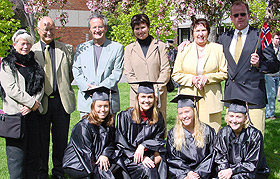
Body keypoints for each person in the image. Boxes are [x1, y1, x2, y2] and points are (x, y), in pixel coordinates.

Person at [218, 1, 279, 135]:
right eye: (236, 15)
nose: (239, 17)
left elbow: (274, 65)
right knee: (233, 141)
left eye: (243, 14)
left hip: (253, 97)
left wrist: (259, 64)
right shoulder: (224, 38)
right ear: (231, 17)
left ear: (248, 15)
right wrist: (187, 44)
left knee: (255, 141)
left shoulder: (259, 35)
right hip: (232, 97)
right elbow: (210, 53)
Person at [32, 16, 76, 179]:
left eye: (51, 29)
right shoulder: (32, 50)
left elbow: (70, 74)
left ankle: (58, 171)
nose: (49, 32)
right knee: (41, 141)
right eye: (45, 29)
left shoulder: (66, 49)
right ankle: (42, 172)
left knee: (60, 140)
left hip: (61, 101)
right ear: (38, 31)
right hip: (41, 102)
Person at [0, 29, 44, 178]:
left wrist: (33, 106)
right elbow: (11, 89)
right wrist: (31, 103)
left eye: (29, 44)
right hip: (15, 117)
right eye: (22, 43)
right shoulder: (7, 64)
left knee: (33, 156)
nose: (26, 47)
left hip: (32, 116)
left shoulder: (35, 63)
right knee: (16, 158)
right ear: (14, 45)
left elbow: (40, 86)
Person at [172, 18, 227, 132]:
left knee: (212, 133)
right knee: (190, 134)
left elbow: (224, 72)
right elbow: (176, 74)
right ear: (192, 33)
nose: (200, 34)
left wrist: (207, 78)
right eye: (197, 31)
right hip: (189, 98)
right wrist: (191, 79)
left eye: (204, 30)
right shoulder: (184, 49)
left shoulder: (217, 49)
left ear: (208, 32)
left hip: (211, 97)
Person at [73, 14, 124, 118]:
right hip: (87, 100)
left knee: (108, 133)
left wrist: (99, 88)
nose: (97, 30)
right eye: (94, 27)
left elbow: (117, 72)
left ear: (105, 28)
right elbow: (76, 70)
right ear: (89, 30)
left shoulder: (117, 48)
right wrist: (87, 88)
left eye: (100, 27)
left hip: (107, 101)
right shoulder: (81, 48)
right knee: (86, 132)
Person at [115, 81, 167, 179]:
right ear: (137, 98)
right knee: (148, 168)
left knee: (162, 160)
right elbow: (120, 143)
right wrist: (140, 156)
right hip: (128, 156)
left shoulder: (158, 117)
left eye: (150, 97)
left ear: (155, 99)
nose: (146, 100)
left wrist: (143, 145)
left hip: (149, 154)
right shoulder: (125, 116)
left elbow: (159, 139)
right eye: (143, 97)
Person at [124, 14, 170, 121]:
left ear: (148, 27)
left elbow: (165, 70)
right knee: (137, 126)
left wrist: (154, 91)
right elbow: (129, 74)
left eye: (143, 27)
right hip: (137, 96)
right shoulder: (129, 49)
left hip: (157, 94)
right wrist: (142, 92)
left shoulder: (160, 46)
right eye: (137, 28)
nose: (140, 31)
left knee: (157, 125)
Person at [62, 86, 116, 179]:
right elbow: (85, 154)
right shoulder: (84, 126)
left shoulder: (108, 123)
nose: (103, 110)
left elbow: (111, 143)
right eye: (99, 106)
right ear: (93, 107)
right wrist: (99, 171)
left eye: (106, 106)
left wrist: (105, 155)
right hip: (78, 164)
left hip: (97, 159)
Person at [214, 98, 270, 179]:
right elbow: (220, 157)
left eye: (238, 117)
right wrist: (225, 171)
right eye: (231, 116)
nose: (234, 120)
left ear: (245, 118)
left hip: (250, 171)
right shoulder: (223, 133)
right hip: (228, 169)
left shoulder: (254, 135)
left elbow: (252, 163)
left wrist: (232, 170)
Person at [167, 94, 216, 179]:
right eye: (180, 113)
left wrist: (198, 174)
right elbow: (173, 159)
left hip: (204, 174)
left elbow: (212, 156)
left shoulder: (207, 131)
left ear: (194, 111)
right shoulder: (173, 133)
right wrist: (187, 173)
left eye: (187, 112)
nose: (184, 116)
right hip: (183, 174)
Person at [265, 31, 280, 120]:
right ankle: (269, 114)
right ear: (272, 39)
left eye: (279, 39)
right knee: (270, 95)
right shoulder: (269, 49)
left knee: (274, 96)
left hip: (278, 74)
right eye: (276, 38)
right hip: (269, 75)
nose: (278, 40)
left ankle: (271, 112)